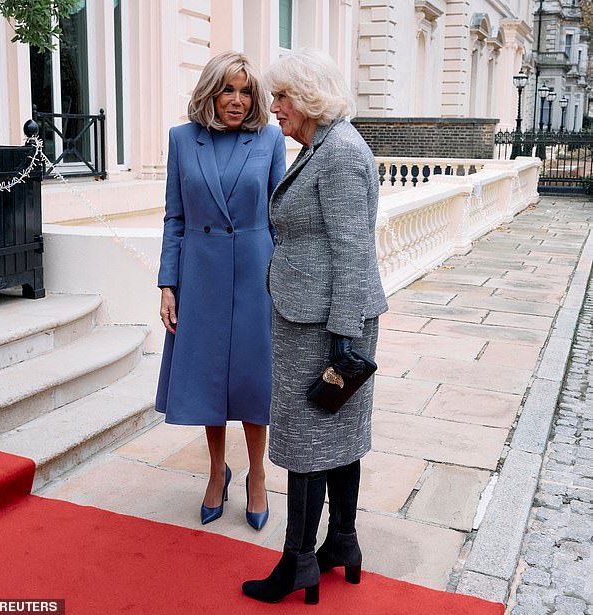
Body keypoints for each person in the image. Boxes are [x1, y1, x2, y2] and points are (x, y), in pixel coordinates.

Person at [242, 49, 388, 604]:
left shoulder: (341, 153)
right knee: (335, 435)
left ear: (307, 98)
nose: (272, 107)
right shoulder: (324, 146)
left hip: (325, 325)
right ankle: (341, 544)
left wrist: (344, 341)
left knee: (308, 441)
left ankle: (299, 561)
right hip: (317, 318)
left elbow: (354, 252)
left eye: (280, 97)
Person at [155, 51, 286, 531]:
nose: (237, 100)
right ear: (211, 91)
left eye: (246, 91)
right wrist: (168, 283)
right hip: (201, 273)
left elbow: (281, 216)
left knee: (253, 379)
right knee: (210, 377)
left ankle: (257, 474)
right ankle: (216, 471)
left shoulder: (269, 139)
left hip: (256, 273)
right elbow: (175, 216)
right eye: (228, 89)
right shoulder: (182, 140)